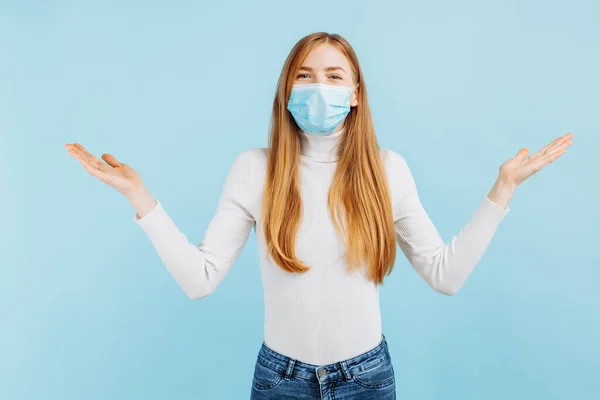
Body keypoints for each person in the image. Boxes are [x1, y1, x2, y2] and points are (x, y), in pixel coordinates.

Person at [64, 32, 573, 399]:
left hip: (367, 380)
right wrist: (140, 198)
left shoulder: (386, 170)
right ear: (287, 93)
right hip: (279, 380)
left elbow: (446, 274)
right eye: (304, 76)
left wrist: (502, 188)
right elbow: (200, 280)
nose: (318, 87)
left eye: (334, 76)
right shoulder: (253, 169)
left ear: (355, 95)